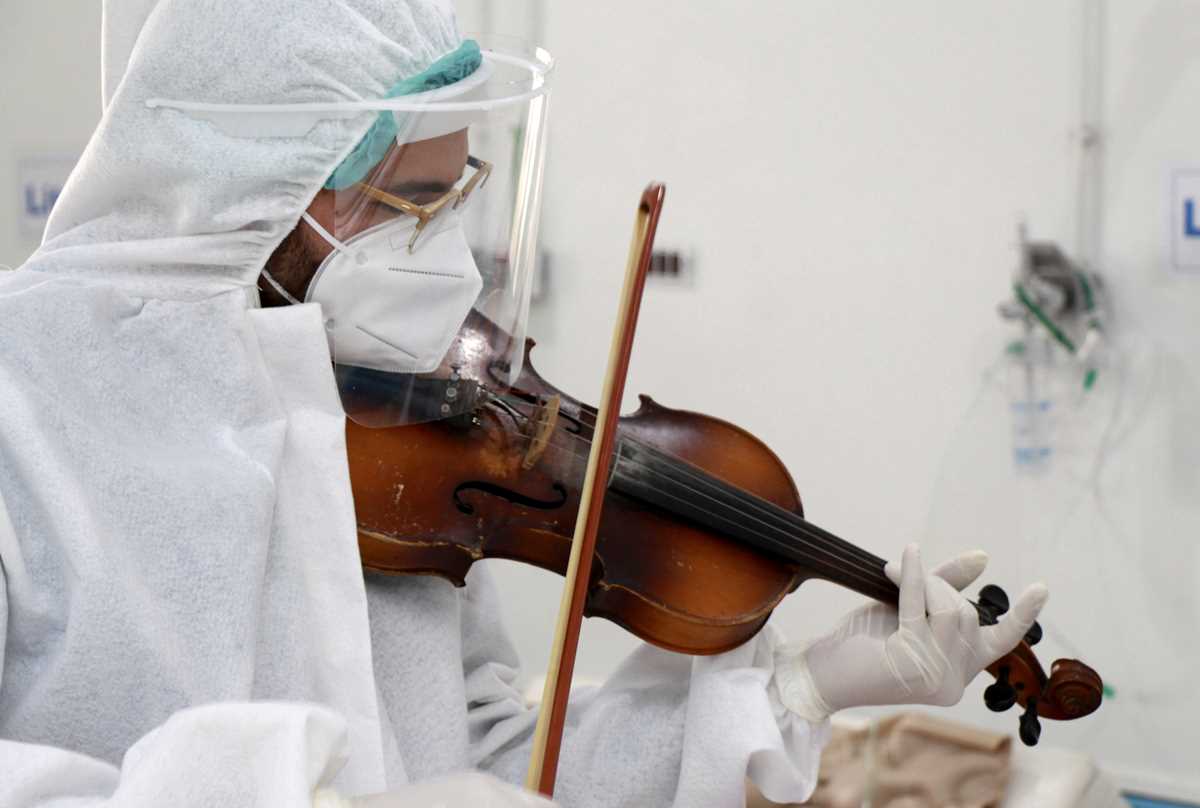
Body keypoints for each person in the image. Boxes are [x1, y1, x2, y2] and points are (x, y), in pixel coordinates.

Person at [0, 2, 1047, 806]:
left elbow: (503, 764)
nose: (449, 257)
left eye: (458, 195)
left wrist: (797, 690)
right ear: (250, 186)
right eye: (412, 203)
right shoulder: (21, 400)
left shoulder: (390, 434)